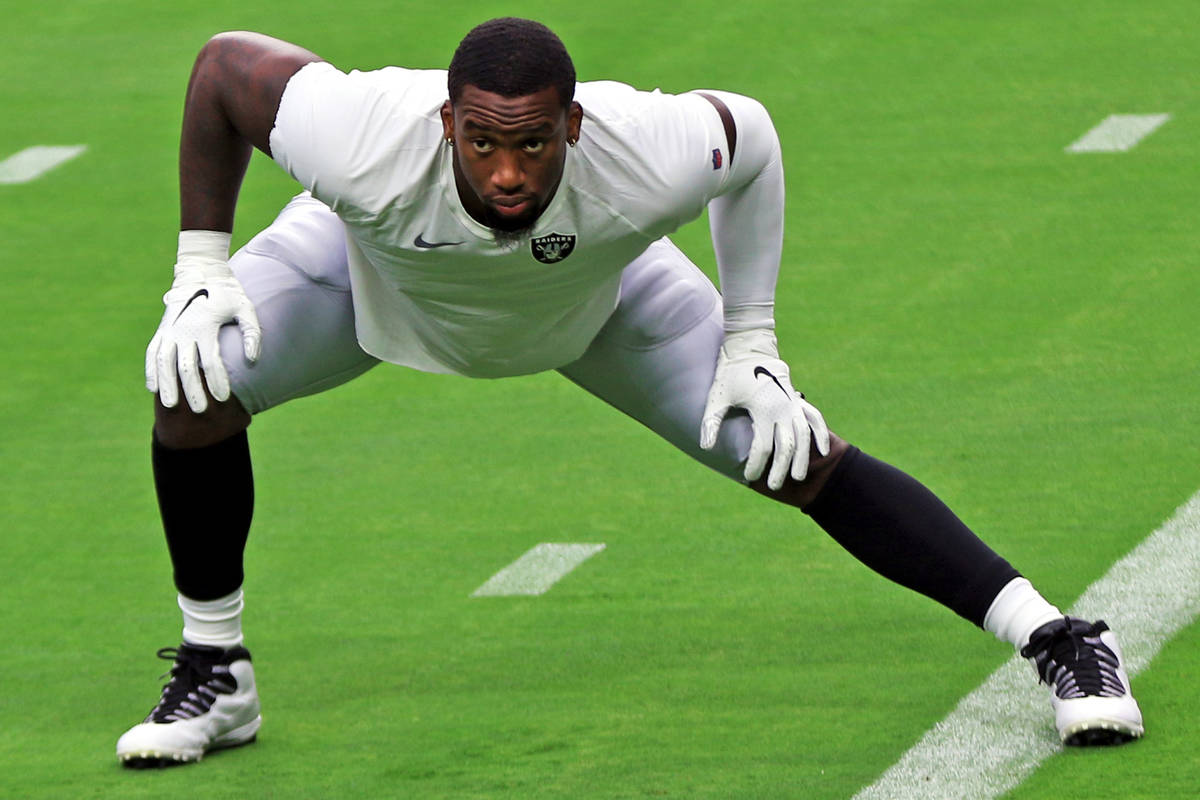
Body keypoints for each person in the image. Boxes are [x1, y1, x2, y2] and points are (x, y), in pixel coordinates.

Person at [118, 18, 1143, 767]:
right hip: (369, 281)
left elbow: (754, 139)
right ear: (444, 124)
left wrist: (753, 338)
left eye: (534, 143)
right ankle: (218, 670)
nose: (509, 172)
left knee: (794, 453)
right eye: (482, 142)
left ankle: (1059, 639)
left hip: (597, 303)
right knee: (191, 385)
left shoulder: (643, 145)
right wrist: (200, 265)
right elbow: (221, 70)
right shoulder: (359, 135)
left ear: (575, 120)